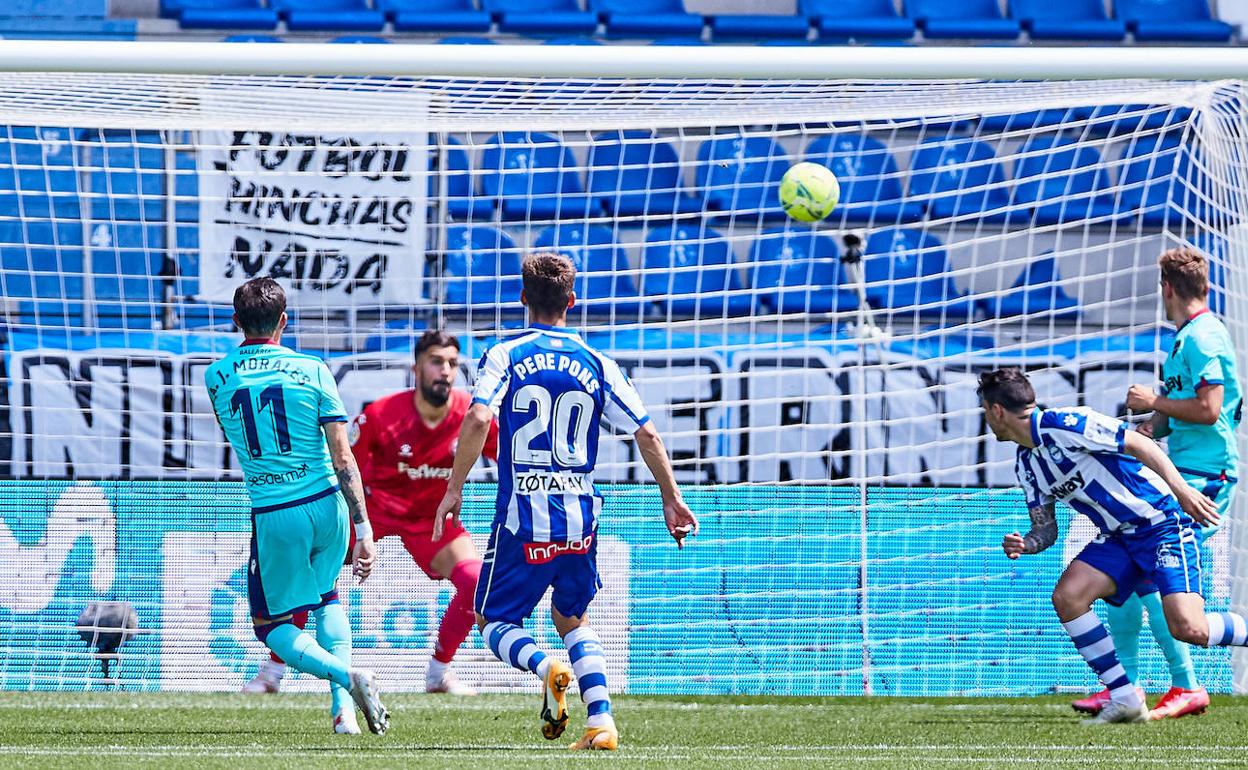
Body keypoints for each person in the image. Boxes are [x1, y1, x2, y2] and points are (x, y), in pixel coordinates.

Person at [434, 252, 699, 750]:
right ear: (572, 302)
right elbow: (646, 433)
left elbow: (476, 419)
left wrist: (455, 487)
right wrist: (672, 498)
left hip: (522, 520)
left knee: (493, 621)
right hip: (580, 516)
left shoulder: (505, 354)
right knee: (571, 618)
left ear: (521, 298)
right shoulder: (598, 362)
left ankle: (544, 665)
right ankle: (601, 722)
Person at [978, 366, 1248, 724]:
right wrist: (1026, 544)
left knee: (1189, 628)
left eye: (985, 411)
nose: (987, 421)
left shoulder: (1064, 423)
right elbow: (1046, 529)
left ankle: (1183, 684)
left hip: (1161, 523)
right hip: (1119, 538)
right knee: (1068, 596)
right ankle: (1124, 698)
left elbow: (1138, 442)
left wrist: (1182, 491)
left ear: (997, 411)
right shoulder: (1027, 464)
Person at [243, 330, 498, 697]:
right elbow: (343, 466)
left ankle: (438, 673)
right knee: (311, 573)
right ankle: (271, 673)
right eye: (436, 361)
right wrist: (354, 525)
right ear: (416, 368)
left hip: (432, 520)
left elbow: (509, 453)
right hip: (374, 511)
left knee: (477, 581)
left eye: (453, 364)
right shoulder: (382, 415)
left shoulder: (470, 416)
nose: (445, 371)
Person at [205, 277, 388, 735]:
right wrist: (364, 528)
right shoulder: (315, 369)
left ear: (235, 322)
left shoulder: (216, 377)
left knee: (270, 625)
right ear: (284, 321)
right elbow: (343, 455)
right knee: (327, 598)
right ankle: (343, 711)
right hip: (329, 505)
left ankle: (348, 678)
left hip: (275, 511)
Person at [1070, 247, 1242, 720]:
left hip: (1205, 476)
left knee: (1151, 575)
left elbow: (1209, 411)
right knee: (1122, 579)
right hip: (1183, 465)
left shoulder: (1204, 338)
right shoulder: (1188, 337)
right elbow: (1182, 416)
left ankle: (1185, 686)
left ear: (1166, 288)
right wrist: (1143, 430)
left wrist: (1155, 400)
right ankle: (1123, 686)